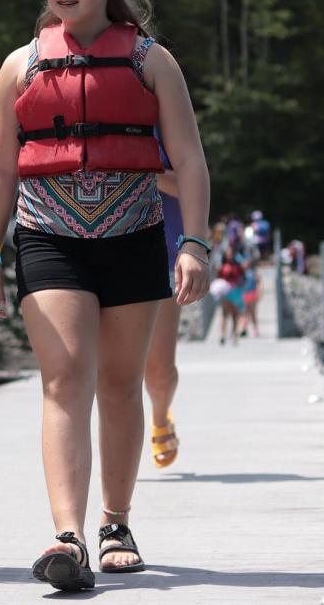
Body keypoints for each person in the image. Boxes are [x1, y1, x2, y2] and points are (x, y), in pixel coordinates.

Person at [0, 0, 210, 591]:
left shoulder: (150, 62)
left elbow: (190, 160)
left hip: (134, 235)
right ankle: (67, 534)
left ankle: (116, 522)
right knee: (64, 378)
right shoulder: (20, 66)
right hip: (48, 238)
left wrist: (192, 241)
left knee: (116, 383)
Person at [144, 172, 182, 469]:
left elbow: (188, 182)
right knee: (100, 366)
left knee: (158, 369)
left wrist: (139, 164)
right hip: (89, 246)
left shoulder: (168, 124)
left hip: (161, 251)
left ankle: (160, 414)